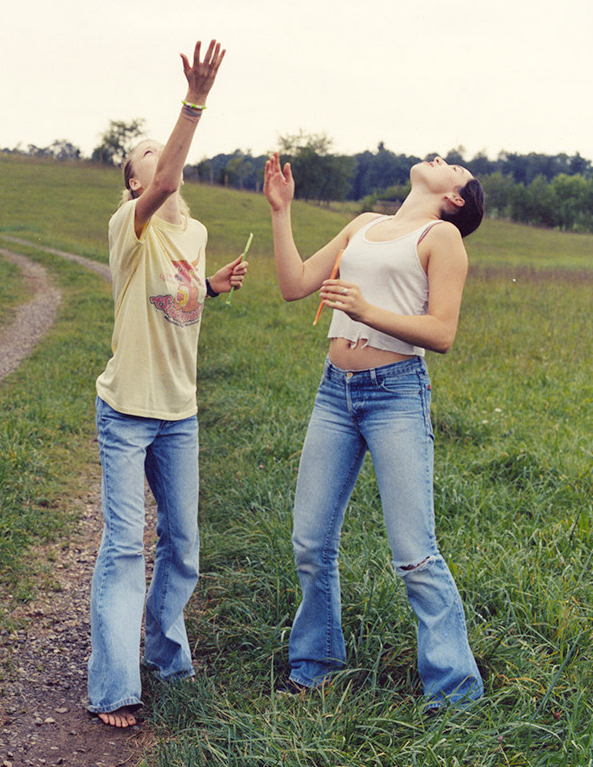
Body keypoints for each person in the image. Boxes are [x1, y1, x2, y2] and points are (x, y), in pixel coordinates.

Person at [264, 151, 485, 708]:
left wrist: (364, 310)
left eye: (455, 167)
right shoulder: (364, 225)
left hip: (396, 397)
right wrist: (280, 212)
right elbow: (295, 285)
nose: (443, 159)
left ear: (456, 198)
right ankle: (314, 665)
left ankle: (455, 693)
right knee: (310, 542)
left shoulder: (442, 238)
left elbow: (441, 332)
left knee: (414, 552)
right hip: (334, 393)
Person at [89, 40, 248, 728]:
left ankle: (163, 649)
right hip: (125, 409)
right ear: (134, 184)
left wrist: (209, 287)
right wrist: (194, 102)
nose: (163, 159)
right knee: (126, 546)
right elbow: (162, 187)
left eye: (166, 149)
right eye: (149, 156)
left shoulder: (199, 231)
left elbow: (176, 301)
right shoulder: (133, 222)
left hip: (178, 412)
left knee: (183, 543)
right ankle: (114, 686)